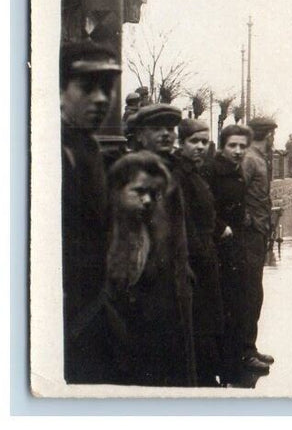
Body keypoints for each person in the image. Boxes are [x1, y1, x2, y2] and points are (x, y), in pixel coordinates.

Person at [60, 41, 122, 383]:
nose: (101, 99)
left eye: (107, 88)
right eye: (87, 87)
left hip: (92, 311)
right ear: (59, 90)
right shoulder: (53, 151)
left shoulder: (87, 146)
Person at [103, 151, 191, 386]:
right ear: (116, 190)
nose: (148, 200)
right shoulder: (100, 234)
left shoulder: (151, 231)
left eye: (153, 193)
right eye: (139, 192)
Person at [125, 103, 196, 386]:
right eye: (157, 129)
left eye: (170, 129)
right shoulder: (134, 174)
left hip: (176, 284)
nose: (167, 134)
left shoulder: (172, 169)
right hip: (149, 289)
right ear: (140, 136)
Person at [176, 118, 227, 386]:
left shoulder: (195, 173)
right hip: (196, 260)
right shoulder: (180, 175)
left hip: (206, 255)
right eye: (193, 141)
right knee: (199, 324)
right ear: (181, 143)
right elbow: (185, 220)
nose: (199, 147)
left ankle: (208, 375)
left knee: (208, 322)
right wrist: (202, 252)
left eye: (203, 142)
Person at [205, 123, 255, 384]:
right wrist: (219, 228)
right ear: (222, 146)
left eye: (242, 147)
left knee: (237, 305)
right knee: (222, 308)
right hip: (218, 249)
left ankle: (234, 363)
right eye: (232, 146)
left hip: (235, 247)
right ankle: (224, 369)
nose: (237, 151)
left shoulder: (237, 172)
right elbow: (203, 207)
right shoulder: (211, 171)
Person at [240, 117, 278, 374]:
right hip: (251, 234)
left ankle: (249, 348)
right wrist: (250, 221)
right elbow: (238, 194)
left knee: (255, 293)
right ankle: (245, 352)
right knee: (249, 293)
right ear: (268, 135)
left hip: (260, 232)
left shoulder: (258, 158)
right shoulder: (251, 159)